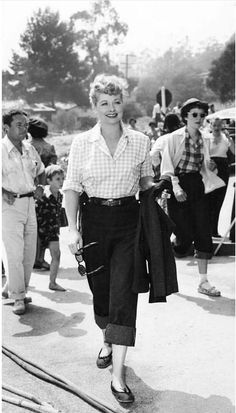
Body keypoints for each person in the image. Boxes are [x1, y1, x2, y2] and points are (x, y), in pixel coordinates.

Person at [63, 74, 158, 404]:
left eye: (117, 102)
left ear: (124, 103)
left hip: (129, 223)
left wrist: (158, 188)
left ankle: (118, 376)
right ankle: (106, 337)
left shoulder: (141, 142)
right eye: (104, 102)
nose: (112, 108)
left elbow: (145, 182)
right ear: (94, 106)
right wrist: (73, 230)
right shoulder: (80, 144)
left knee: (123, 295)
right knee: (101, 295)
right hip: (94, 221)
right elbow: (72, 188)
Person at [161, 98, 225, 297]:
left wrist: (209, 167)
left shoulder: (204, 138)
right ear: (185, 116)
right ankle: (164, 255)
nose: (199, 118)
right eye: (194, 115)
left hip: (197, 186)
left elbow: (203, 165)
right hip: (178, 185)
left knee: (203, 231)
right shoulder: (173, 138)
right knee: (183, 234)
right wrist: (176, 187)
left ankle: (204, 281)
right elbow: (167, 166)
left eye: (202, 115)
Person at [2, 109, 45, 315]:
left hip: (29, 204)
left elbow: (42, 171)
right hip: (8, 206)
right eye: (19, 125)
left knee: (29, 252)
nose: (24, 129)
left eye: (26, 125)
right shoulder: (1, 150)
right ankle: (18, 296)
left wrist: (39, 187)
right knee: (14, 252)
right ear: (6, 128)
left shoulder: (29, 149)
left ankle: (18, 288)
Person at [28, 117, 58, 270]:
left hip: (29, 191)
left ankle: (32, 258)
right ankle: (40, 258)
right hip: (45, 191)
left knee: (31, 227)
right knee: (45, 226)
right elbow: (52, 170)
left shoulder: (26, 147)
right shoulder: (49, 147)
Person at [35, 165, 66, 291]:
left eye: (62, 179)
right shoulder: (43, 196)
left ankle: (52, 282)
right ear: (48, 181)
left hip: (52, 231)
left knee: (56, 255)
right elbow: (35, 213)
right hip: (40, 231)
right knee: (27, 259)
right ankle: (11, 288)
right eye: (58, 179)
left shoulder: (59, 195)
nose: (61, 182)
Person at [205, 117, 235, 237]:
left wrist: (230, 140)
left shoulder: (226, 138)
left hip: (223, 169)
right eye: (214, 125)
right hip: (210, 168)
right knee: (208, 200)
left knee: (219, 200)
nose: (217, 128)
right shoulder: (206, 138)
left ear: (222, 125)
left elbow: (235, 152)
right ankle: (205, 230)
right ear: (211, 126)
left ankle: (214, 230)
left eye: (218, 125)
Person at [150, 113, 181, 180]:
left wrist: (157, 165)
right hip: (185, 176)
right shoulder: (184, 138)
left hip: (167, 177)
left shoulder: (162, 139)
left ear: (166, 126)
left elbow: (153, 155)